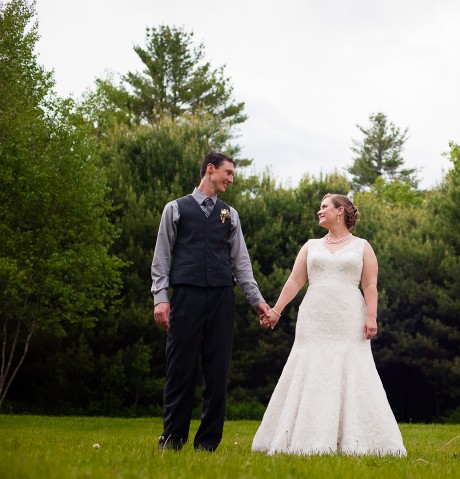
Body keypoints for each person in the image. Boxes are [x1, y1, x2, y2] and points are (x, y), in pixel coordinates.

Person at [252, 193, 406, 456]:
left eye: (324, 207)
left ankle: (357, 439)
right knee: (311, 367)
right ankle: (302, 436)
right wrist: (277, 310)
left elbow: (370, 284)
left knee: (352, 368)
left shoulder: (362, 247)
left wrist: (371, 316)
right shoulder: (311, 246)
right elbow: (295, 281)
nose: (319, 211)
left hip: (348, 317)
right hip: (314, 318)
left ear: (341, 211)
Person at [151, 151, 270, 452]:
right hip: (186, 296)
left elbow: (241, 263)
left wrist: (257, 301)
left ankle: (207, 443)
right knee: (180, 368)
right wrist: (160, 299)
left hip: (221, 297)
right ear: (210, 169)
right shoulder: (175, 209)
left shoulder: (230, 214)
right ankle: (173, 438)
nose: (231, 179)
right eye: (228, 173)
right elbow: (161, 258)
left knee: (217, 371)